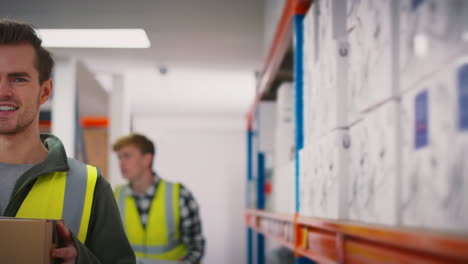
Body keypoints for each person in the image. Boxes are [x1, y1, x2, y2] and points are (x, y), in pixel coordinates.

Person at [0, 18, 136, 264]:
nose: (2, 91)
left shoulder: (87, 185)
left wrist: (81, 260)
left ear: (45, 91)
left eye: (18, 78)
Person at [113, 133, 205, 264]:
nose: (121, 163)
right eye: (119, 157)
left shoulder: (179, 194)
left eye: (127, 156)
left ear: (147, 159)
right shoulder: (116, 195)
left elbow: (196, 247)